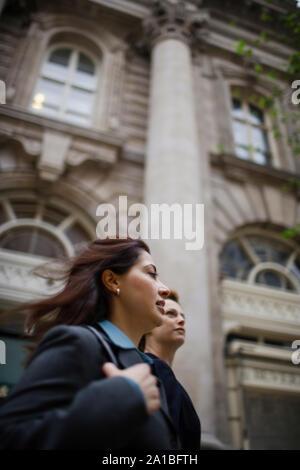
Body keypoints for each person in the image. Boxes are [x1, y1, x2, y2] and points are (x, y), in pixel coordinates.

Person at [0, 237, 180, 450]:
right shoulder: (79, 343)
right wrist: (118, 397)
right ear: (113, 281)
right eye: (151, 274)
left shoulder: (149, 369)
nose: (165, 289)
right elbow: (11, 438)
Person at [139, 290, 201, 450]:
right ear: (150, 324)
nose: (181, 320)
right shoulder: (154, 368)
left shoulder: (163, 373)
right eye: (171, 314)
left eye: (183, 316)